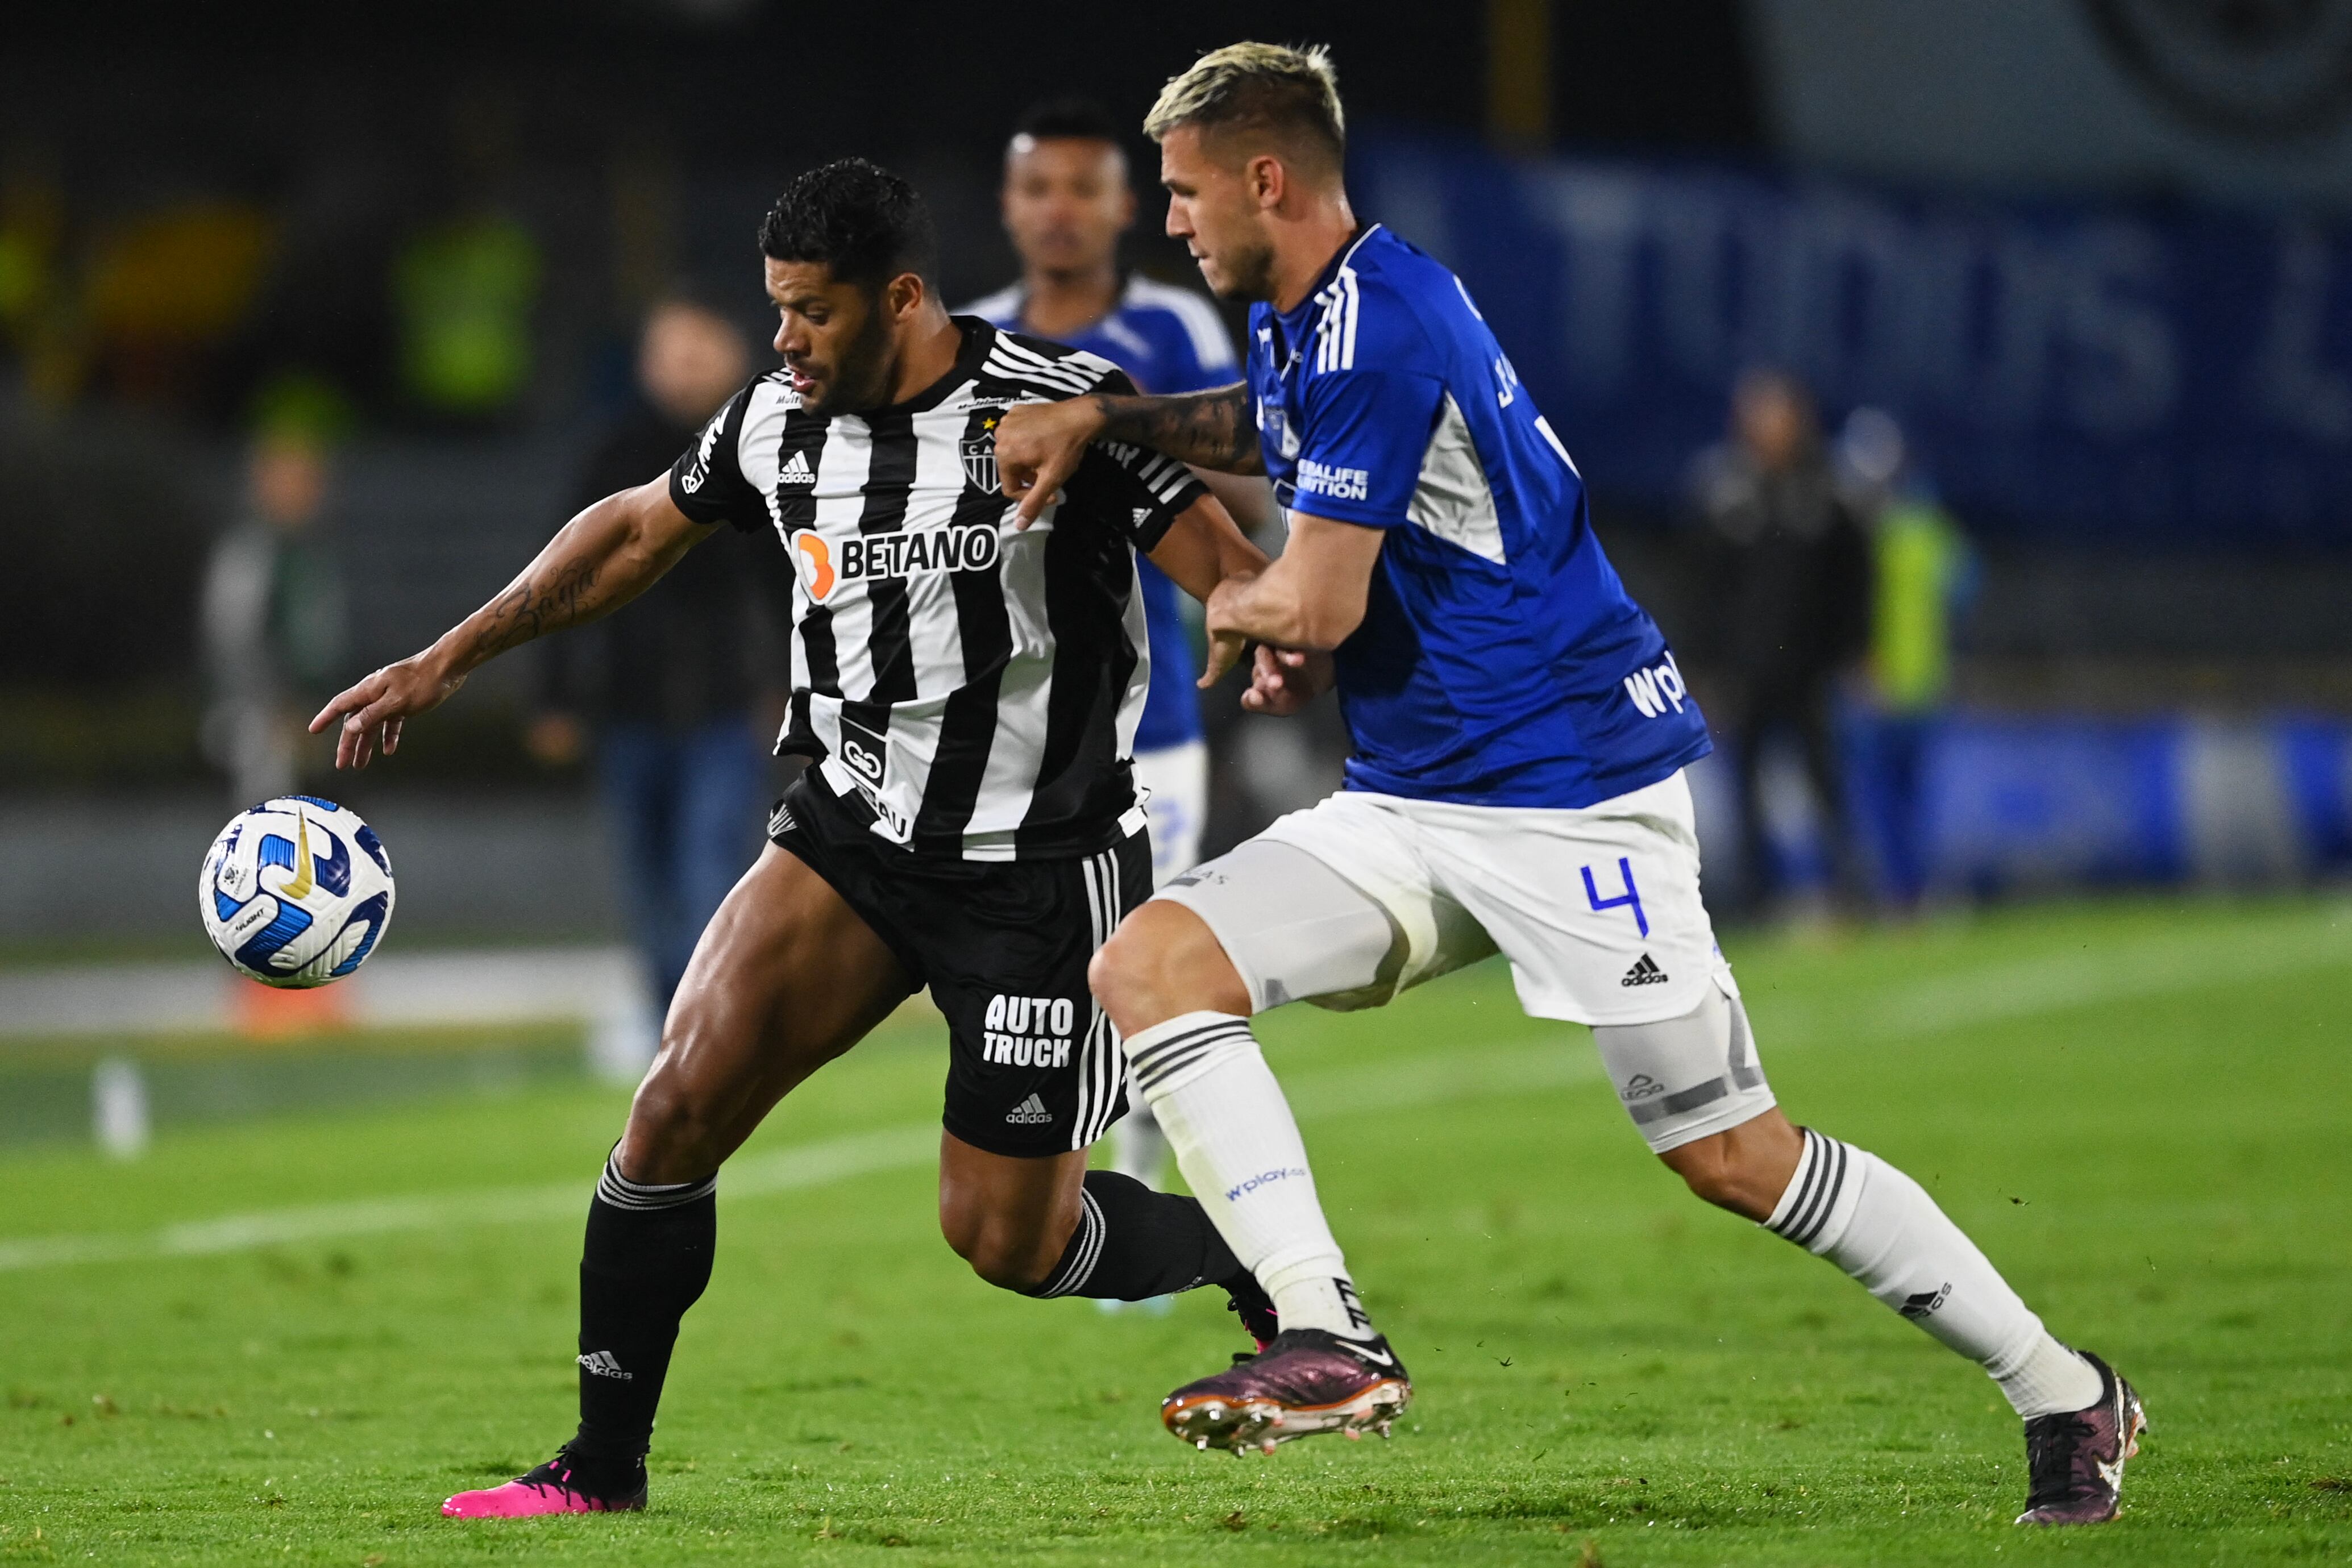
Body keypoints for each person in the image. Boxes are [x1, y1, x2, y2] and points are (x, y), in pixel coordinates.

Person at [995, 43, 2143, 1525]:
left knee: (1734, 1151)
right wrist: (1115, 419)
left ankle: (2064, 1387)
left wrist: (1243, 608)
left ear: (1265, 177)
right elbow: (1269, 434)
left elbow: (1320, 604)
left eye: (1186, 187)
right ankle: (1326, 1329)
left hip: (1569, 792)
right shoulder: (1322, 309)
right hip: (1417, 798)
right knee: (1153, 958)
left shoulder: (1377, 325)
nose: (1171, 219)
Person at [310, 160, 1273, 1519]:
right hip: (855, 832)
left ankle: (1252, 1254)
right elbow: (638, 532)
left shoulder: (1054, 409)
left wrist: (1259, 626)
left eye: (812, 313)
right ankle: (601, 1469)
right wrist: (450, 657)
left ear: (899, 298)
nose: (785, 341)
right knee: (672, 1109)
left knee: (1009, 1238)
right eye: (775, 310)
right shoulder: (776, 417)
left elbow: (1224, 564)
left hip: (1037, 871)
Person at [960, 97, 1277, 1247]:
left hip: (1149, 715)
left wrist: (1112, 431)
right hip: (1007, 713)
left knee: (1135, 951)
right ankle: (1059, 1190)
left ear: (1120, 205)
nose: (1057, 210)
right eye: (1036, 188)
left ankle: (1144, 1197)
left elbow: (1253, 488)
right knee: (1038, 961)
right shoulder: (971, 337)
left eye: (1079, 189)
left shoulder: (1175, 327)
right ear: (1008, 204)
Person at [530, 296, 791, 1020]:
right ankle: (667, 1027)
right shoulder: (611, 453)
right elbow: (558, 576)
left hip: (723, 702)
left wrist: (790, 684)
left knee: (710, 870)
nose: (681, 367)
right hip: (628, 704)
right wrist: (553, 695)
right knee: (646, 886)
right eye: (668, 351)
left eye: (695, 348)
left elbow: (791, 582)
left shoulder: (764, 451)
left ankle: (702, 1026)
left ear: (732, 353)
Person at [1689, 370, 1873, 917]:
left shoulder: (1827, 493)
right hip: (1745, 673)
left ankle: (1849, 892)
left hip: (1809, 670)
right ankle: (1755, 903)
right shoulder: (1724, 492)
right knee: (1745, 790)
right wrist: (1699, 662)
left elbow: (1854, 580)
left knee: (1826, 784)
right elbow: (1699, 585)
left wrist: (1857, 651)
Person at [1837, 407, 1974, 912]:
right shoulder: (1925, 527)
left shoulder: (1866, 532)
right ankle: (1904, 894)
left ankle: (1902, 895)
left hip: (1891, 687)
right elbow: (1964, 588)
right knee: (1901, 802)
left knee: (1891, 803)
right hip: (1906, 685)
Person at [201, 418, 347, 808]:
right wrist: (277, 709)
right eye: (294, 478)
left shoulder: (312, 553)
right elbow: (235, 641)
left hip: (315, 720)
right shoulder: (250, 554)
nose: (309, 489)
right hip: (261, 727)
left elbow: (323, 643)